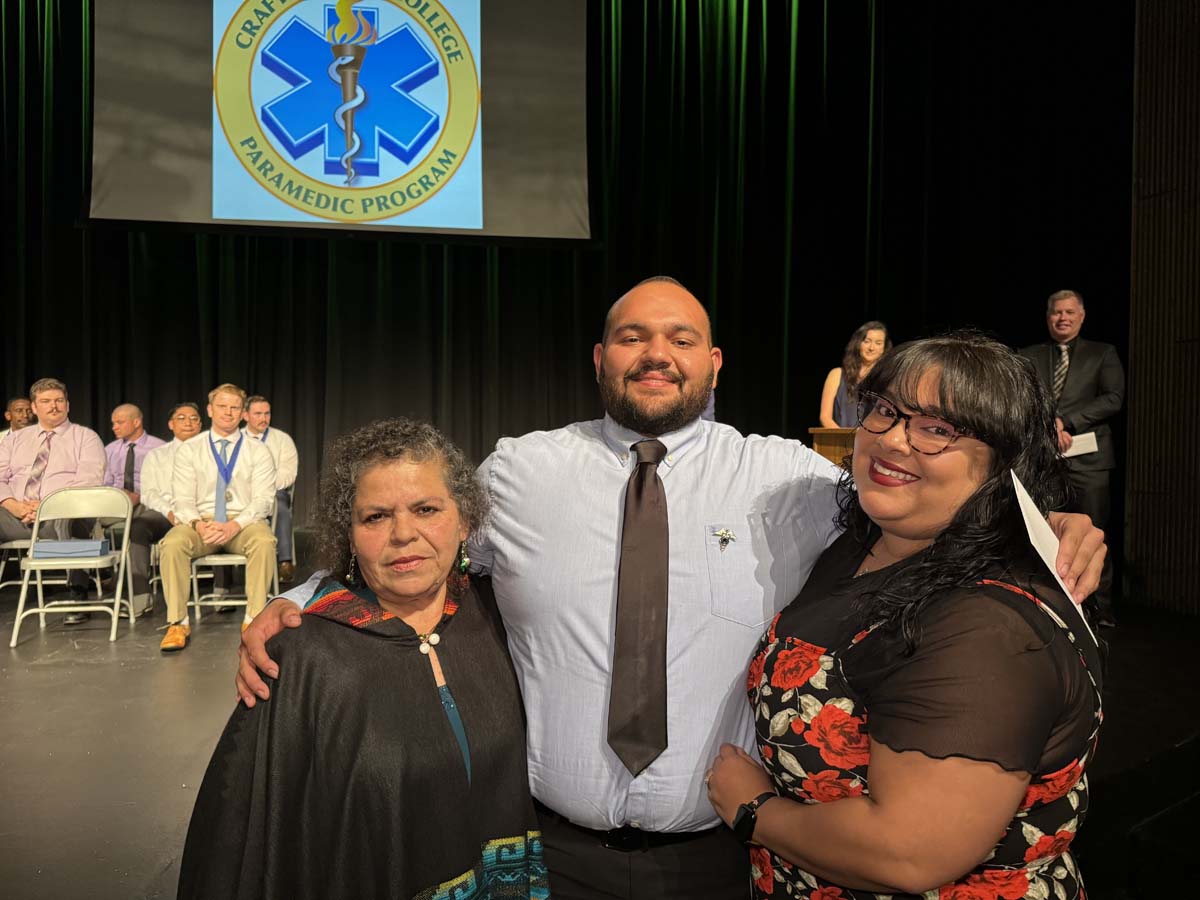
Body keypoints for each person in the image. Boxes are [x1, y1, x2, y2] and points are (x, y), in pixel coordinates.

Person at [239, 279, 1106, 900]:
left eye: (682, 339)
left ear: (714, 363)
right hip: (551, 853)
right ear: (600, 357)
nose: (657, 354)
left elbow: (923, 502)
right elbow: (412, 542)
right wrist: (304, 599)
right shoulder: (521, 472)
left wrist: (1047, 524)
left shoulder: (792, 482)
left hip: (726, 861)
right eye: (632, 337)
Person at [705, 333, 1102, 898]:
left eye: (937, 429)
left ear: (1003, 458)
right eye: (886, 411)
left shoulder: (990, 630)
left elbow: (908, 851)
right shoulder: (866, 539)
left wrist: (755, 811)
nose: (892, 439)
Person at [178, 418, 546, 900]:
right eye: (375, 517)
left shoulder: (500, 616)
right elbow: (242, 841)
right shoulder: (303, 656)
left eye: (426, 509)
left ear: (465, 521)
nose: (403, 534)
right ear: (350, 536)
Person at [1020, 290, 1125, 627]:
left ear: (1082, 315)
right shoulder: (1029, 355)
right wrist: (1048, 424)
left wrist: (1067, 421)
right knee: (1044, 530)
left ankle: (1100, 607)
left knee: (1094, 531)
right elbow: (1021, 397)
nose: (1062, 318)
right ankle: (1049, 600)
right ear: (1047, 317)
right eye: (1056, 312)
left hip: (1090, 460)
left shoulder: (1103, 353)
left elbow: (1113, 398)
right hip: (1043, 458)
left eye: (1069, 312)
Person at [156, 384, 276, 652]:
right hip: (202, 522)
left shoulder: (258, 450)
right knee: (172, 543)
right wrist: (198, 524)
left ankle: (253, 620)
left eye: (234, 407)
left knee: (264, 541)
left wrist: (234, 525)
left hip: (243, 521)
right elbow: (182, 500)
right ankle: (178, 622)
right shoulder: (190, 449)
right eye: (222, 406)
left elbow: (263, 500)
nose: (228, 412)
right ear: (210, 410)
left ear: (243, 413)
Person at [0, 378, 106, 621]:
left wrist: (48, 505)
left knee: (74, 515)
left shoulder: (86, 437)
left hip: (60, 514)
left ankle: (77, 596)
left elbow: (88, 481)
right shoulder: (14, 440)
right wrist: (13, 505)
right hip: (16, 516)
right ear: (34, 407)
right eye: (46, 401)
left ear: (68, 405)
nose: (54, 406)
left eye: (59, 400)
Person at [101, 404, 167, 615]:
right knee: (84, 519)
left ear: (136, 422)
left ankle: (133, 593)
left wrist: (140, 495)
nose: (114, 427)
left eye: (119, 422)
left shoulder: (159, 448)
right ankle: (99, 578)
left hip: (150, 504)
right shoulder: (110, 450)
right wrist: (117, 495)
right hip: (118, 504)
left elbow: (167, 485)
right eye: (113, 423)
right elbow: (105, 483)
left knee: (137, 527)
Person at [242, 395, 299, 582]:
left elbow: (288, 474)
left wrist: (264, 485)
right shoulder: (237, 439)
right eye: (258, 414)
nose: (263, 418)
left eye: (267, 413)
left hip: (274, 491)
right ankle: (223, 576)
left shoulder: (282, 440)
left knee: (279, 506)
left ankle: (285, 561)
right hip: (242, 494)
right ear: (245, 415)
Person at [140, 402, 205, 525]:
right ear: (171, 424)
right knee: (140, 526)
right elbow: (148, 493)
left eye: (194, 419)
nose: (188, 423)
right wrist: (168, 511)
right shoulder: (156, 455)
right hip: (165, 512)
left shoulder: (211, 453)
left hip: (203, 512)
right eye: (181, 418)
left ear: (200, 425)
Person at [819, 321, 891, 428]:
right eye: (867, 341)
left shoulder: (887, 377)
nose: (871, 348)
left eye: (878, 343)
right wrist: (844, 437)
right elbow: (825, 417)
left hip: (872, 437)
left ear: (884, 348)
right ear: (858, 343)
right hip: (839, 437)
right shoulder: (836, 374)